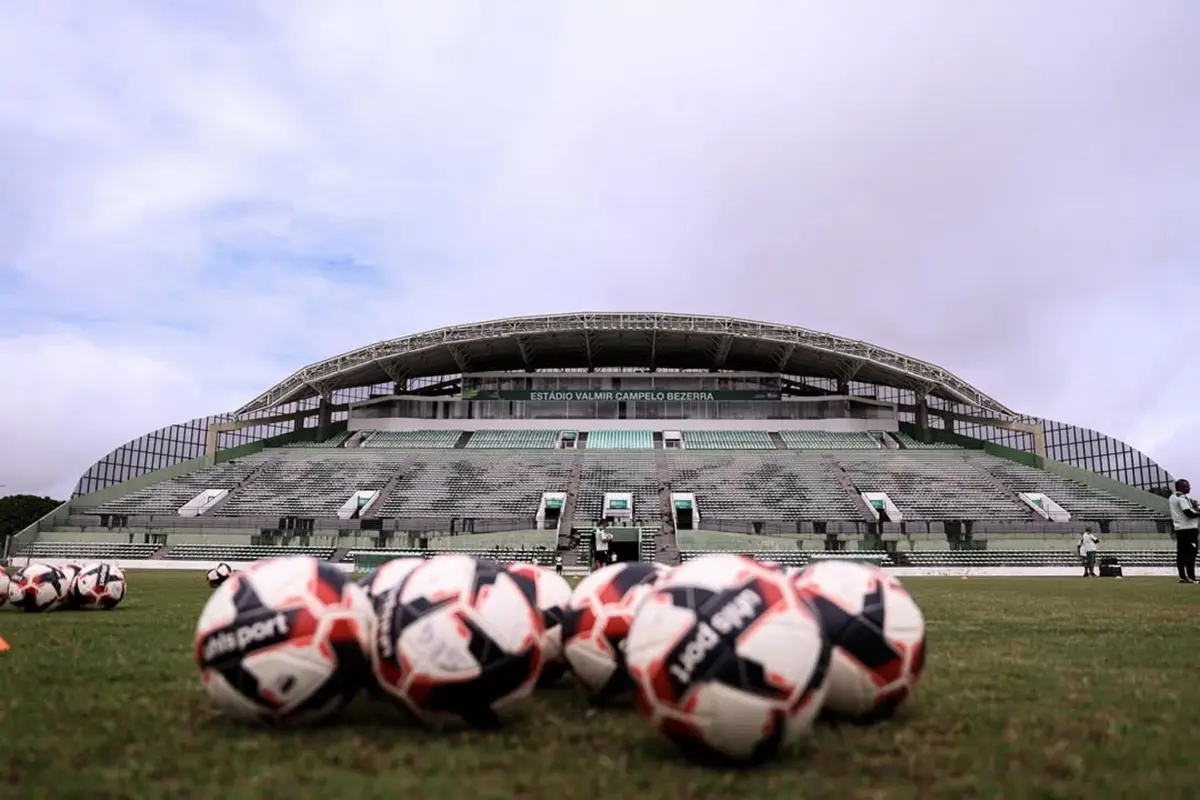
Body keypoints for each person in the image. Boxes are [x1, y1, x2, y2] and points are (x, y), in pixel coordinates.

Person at [1168, 478, 1199, 583]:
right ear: (1180, 487)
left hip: (1179, 529)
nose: (1189, 488)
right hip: (1189, 529)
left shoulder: (1172, 497)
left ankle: (1183, 576)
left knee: (1181, 554)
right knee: (1191, 553)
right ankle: (1191, 576)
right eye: (1186, 486)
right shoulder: (1182, 497)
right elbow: (1188, 513)